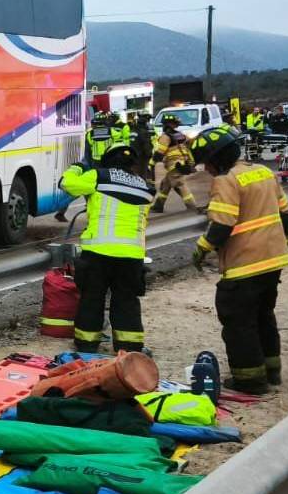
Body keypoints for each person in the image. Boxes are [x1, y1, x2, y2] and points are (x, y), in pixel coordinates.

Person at [188, 127, 288, 393]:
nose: (208, 169)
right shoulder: (264, 172)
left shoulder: (227, 180)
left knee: (238, 323)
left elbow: (222, 226)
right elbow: (287, 214)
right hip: (273, 261)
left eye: (207, 163)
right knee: (264, 316)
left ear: (217, 158)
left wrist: (201, 249)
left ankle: (250, 381)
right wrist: (285, 243)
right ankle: (272, 372)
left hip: (244, 265)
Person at [59, 142, 154, 353]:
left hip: (98, 253)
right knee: (126, 301)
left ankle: (87, 344)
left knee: (92, 299)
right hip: (131, 255)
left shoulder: (98, 176)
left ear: (107, 160)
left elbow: (67, 184)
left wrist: (76, 167)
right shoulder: (145, 187)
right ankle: (129, 348)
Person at [152, 113, 199, 213]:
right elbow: (190, 143)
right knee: (166, 184)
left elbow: (160, 152)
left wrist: (152, 162)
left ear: (166, 124)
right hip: (183, 163)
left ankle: (192, 206)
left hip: (174, 165)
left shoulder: (165, 136)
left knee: (180, 184)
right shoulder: (180, 135)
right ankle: (158, 205)